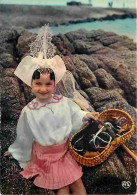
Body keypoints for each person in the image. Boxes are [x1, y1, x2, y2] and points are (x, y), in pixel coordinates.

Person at [4, 25, 99, 195]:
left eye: (48, 84)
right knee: (62, 186)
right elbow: (24, 135)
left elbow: (74, 114)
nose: (43, 88)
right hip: (46, 155)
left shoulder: (62, 101)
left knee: (77, 181)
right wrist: (16, 151)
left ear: (54, 85)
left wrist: (86, 115)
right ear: (31, 85)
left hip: (63, 150)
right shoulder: (29, 110)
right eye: (38, 84)